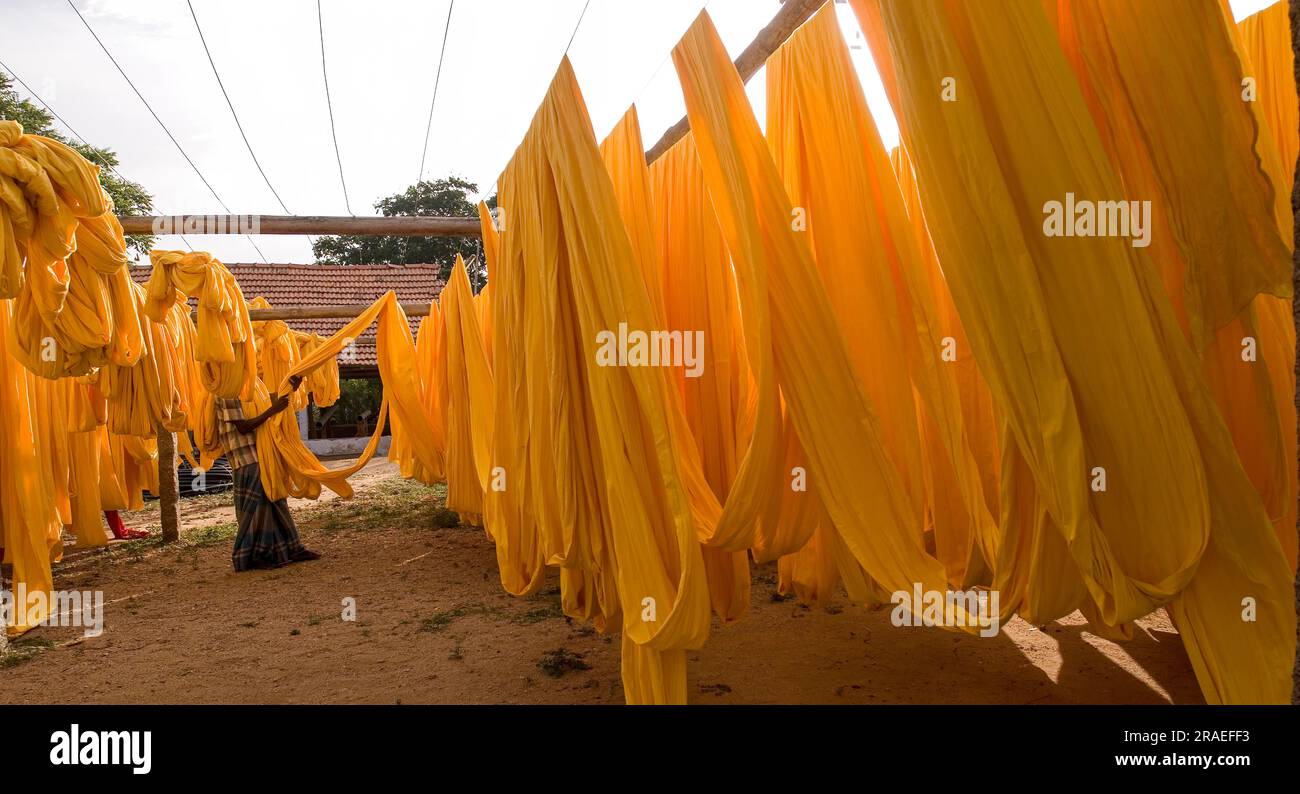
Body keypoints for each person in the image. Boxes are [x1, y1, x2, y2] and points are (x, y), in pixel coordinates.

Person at [216, 375, 320, 571]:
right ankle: (250, 555)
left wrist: (289, 387)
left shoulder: (251, 384)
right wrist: (274, 410)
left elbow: (267, 398)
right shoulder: (226, 391)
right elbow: (243, 427)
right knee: (256, 509)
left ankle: (291, 547)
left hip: (262, 453)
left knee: (276, 499)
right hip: (245, 457)